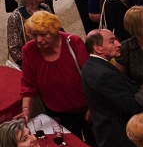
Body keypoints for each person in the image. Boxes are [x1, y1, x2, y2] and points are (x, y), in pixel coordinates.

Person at [19, 11, 91, 139]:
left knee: (94, 145)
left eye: (43, 34)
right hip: (56, 113)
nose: (38, 40)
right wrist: (26, 110)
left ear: (55, 31)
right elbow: (28, 84)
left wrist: (93, 107)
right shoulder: (29, 50)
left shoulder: (73, 42)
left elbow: (91, 78)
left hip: (86, 109)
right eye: (34, 35)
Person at [81, 28, 142, 147]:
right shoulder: (104, 74)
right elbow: (130, 106)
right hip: (121, 143)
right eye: (112, 41)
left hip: (110, 139)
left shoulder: (89, 65)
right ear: (98, 48)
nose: (119, 44)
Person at [7, 0, 52, 66]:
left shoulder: (45, 8)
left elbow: (57, 30)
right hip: (34, 64)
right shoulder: (16, 17)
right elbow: (15, 51)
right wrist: (34, 63)